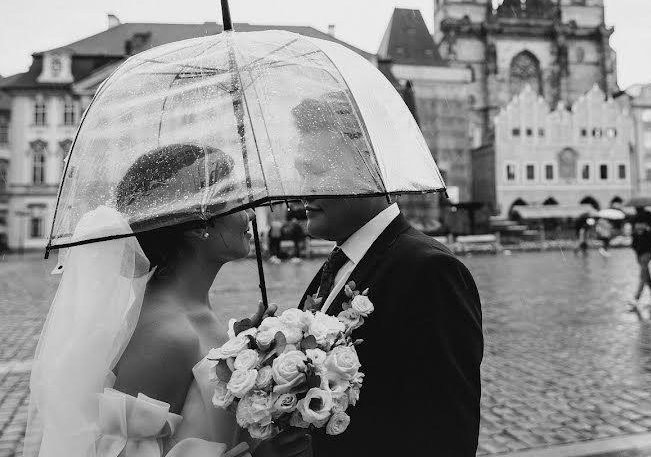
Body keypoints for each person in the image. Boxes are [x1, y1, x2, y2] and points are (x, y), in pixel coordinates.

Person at [26, 143, 308, 457]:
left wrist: (241, 353)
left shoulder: (190, 310)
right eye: (235, 198)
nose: (251, 214)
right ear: (197, 223)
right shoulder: (167, 332)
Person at [290, 92, 483, 457]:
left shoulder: (430, 271)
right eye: (302, 173)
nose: (303, 190)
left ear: (368, 166)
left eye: (317, 170)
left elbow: (448, 433)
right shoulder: (335, 265)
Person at [629, 206, 651, 314]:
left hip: (646, 252)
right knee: (647, 275)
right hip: (640, 251)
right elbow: (634, 237)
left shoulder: (648, 220)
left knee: (643, 275)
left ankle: (636, 298)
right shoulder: (636, 220)